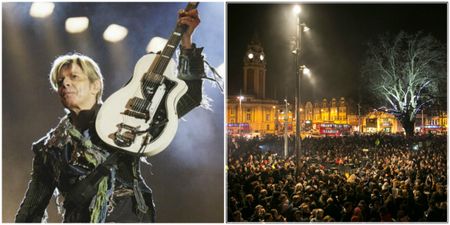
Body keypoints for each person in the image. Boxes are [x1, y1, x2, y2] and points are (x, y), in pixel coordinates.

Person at [15, 8, 204, 223]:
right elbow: (31, 210)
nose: (65, 83)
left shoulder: (128, 118)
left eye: (74, 77)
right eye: (60, 81)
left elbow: (190, 98)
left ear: (96, 85)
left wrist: (186, 43)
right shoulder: (48, 149)